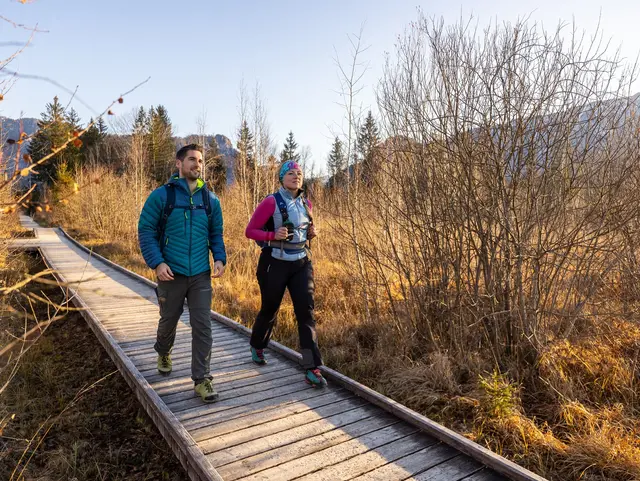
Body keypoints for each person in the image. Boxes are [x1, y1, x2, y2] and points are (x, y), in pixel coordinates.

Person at [138, 143, 226, 403]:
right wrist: (157, 262)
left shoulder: (210, 200)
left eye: (199, 161)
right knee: (168, 321)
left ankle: (203, 379)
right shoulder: (162, 196)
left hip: (200, 273)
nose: (196, 165)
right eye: (191, 160)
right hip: (171, 272)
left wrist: (219, 258)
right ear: (178, 164)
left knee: (203, 326)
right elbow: (146, 231)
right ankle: (163, 351)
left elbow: (215, 233)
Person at [244, 161, 327, 388]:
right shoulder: (271, 201)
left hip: (301, 262)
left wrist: (312, 232)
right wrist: (273, 234)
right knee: (270, 308)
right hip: (274, 263)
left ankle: (312, 367)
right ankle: (258, 345)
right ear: (282, 178)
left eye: (299, 173)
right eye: (290, 173)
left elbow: (306, 230)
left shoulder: (306, 202)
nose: (296, 177)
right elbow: (250, 231)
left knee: (306, 313)